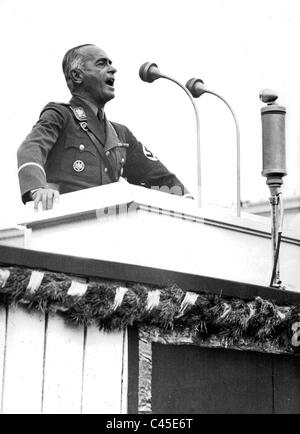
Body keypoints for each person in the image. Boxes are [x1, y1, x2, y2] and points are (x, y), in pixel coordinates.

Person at [17, 44, 191, 211]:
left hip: (108, 224)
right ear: (77, 75)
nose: (113, 69)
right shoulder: (61, 115)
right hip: (66, 222)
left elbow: (158, 176)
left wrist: (189, 202)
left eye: (111, 63)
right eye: (101, 63)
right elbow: (31, 148)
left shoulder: (120, 134)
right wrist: (37, 189)